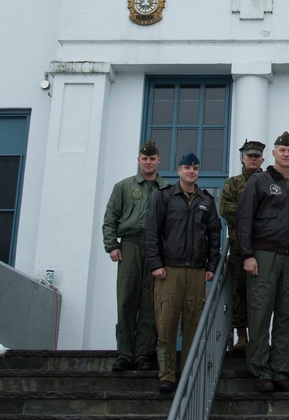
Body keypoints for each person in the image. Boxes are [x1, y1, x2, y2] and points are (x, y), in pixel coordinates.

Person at [236, 131, 289, 393]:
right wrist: (247, 254)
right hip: (263, 256)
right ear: (274, 154)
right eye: (282, 150)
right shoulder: (259, 182)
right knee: (260, 312)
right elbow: (244, 218)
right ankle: (261, 370)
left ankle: (281, 370)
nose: (287, 154)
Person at [145, 152, 222, 393]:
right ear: (178, 170)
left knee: (193, 325)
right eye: (187, 168)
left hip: (197, 272)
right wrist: (156, 264)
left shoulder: (207, 200)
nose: (191, 171)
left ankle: (187, 373)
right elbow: (151, 232)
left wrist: (211, 266)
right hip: (169, 270)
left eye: (195, 168)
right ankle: (167, 374)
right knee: (166, 324)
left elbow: (214, 235)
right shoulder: (164, 197)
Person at [102, 139, 169, 372]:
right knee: (126, 300)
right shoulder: (123, 187)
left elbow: (172, 225)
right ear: (139, 160)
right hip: (129, 246)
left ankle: (143, 353)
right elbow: (111, 217)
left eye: (152, 159)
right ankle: (125, 353)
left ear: (159, 161)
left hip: (155, 250)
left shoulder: (167, 190)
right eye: (144, 159)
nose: (148, 162)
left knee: (150, 303)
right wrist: (112, 245)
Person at [218, 138, 265, 351]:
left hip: (265, 248)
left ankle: (260, 337)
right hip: (239, 248)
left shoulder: (268, 181)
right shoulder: (233, 184)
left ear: (262, 158)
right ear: (243, 159)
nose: (253, 159)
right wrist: (252, 212)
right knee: (240, 294)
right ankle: (242, 335)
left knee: (262, 296)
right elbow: (226, 209)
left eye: (256, 156)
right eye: (249, 156)